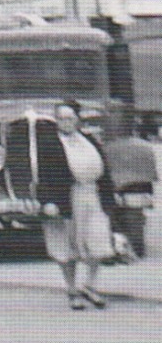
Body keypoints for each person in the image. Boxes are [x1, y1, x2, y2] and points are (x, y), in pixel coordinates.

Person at [38, 99, 117, 310]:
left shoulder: (89, 139)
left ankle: (90, 286)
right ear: (56, 120)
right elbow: (44, 175)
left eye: (70, 117)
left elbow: (105, 169)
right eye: (61, 118)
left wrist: (109, 194)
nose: (66, 122)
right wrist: (48, 202)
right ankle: (72, 290)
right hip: (66, 198)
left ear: (78, 119)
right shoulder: (50, 143)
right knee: (67, 245)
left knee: (97, 241)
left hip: (92, 195)